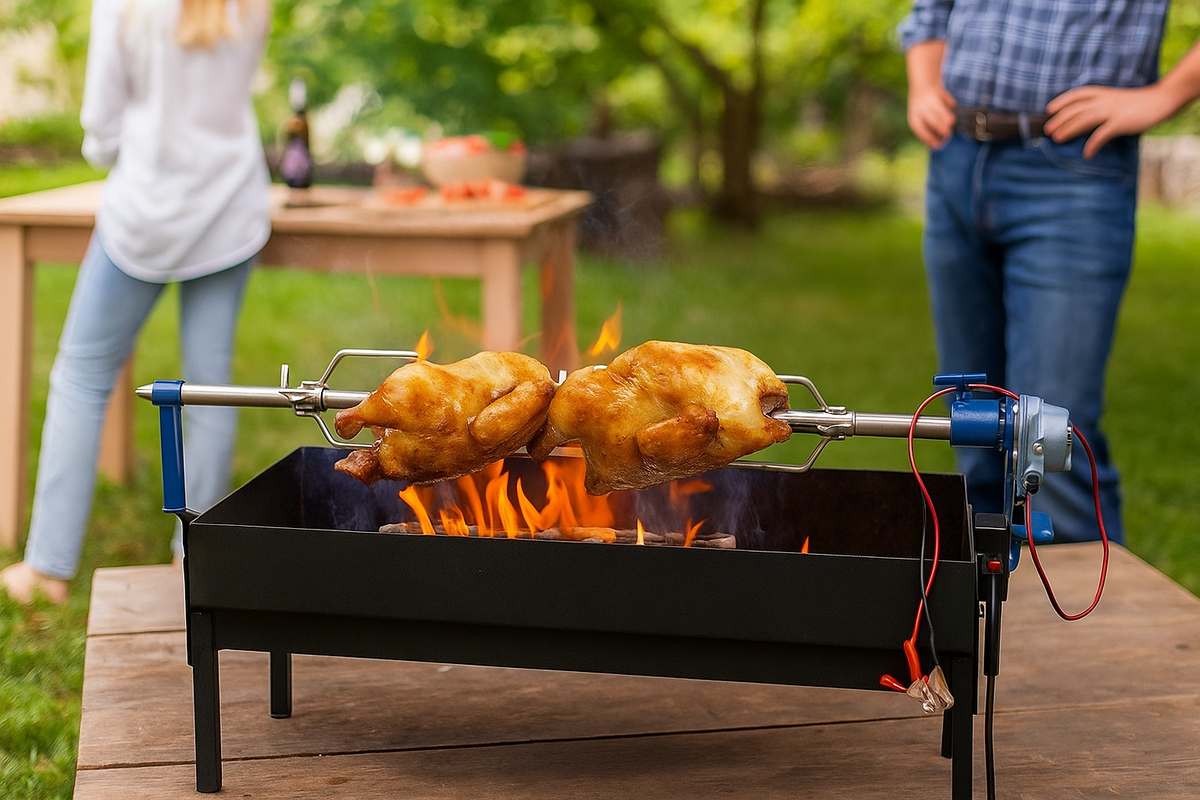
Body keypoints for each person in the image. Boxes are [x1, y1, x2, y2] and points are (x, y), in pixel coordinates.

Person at [899, 1, 1200, 543]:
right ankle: (988, 621)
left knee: (1049, 440)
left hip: (1072, 170)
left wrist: (1164, 95)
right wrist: (923, 83)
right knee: (974, 431)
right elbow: (932, 11)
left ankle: (1085, 624)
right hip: (957, 156)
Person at [1, 0, 271, 603]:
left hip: (147, 212)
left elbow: (101, 124)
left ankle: (46, 569)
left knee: (82, 373)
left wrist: (116, 145)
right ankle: (193, 559)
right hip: (230, 205)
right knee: (208, 386)